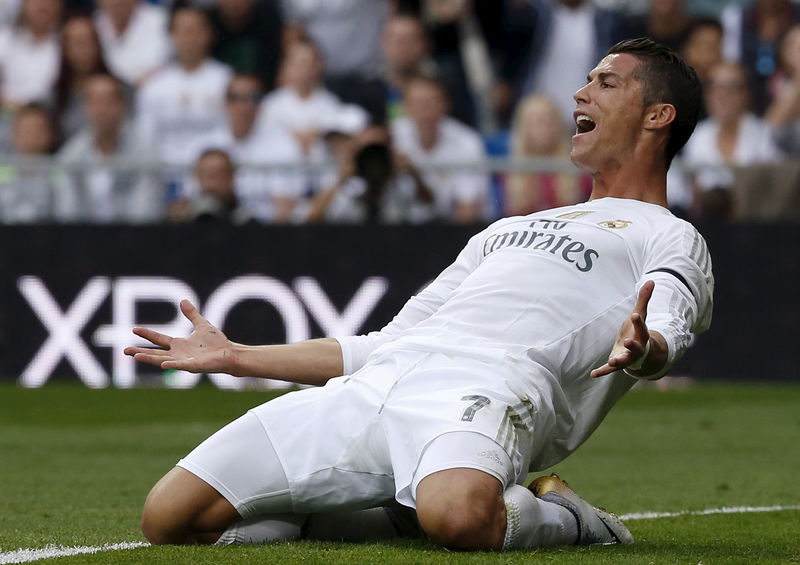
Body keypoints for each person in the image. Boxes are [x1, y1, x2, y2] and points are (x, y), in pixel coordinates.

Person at [125, 38, 714, 551]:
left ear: (658, 115)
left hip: (491, 388)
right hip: (378, 385)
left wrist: (646, 350)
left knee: (459, 517)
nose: (581, 94)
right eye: (585, 82)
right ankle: (395, 516)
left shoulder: (668, 233)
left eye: (605, 84)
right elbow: (384, 344)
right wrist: (236, 355)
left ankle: (569, 519)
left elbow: (668, 324)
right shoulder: (504, 229)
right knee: (172, 518)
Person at [56, 73, 162, 224]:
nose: (102, 110)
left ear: (123, 106)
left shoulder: (146, 154)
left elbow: (145, 209)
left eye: (109, 101)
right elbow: (68, 211)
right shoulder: (70, 156)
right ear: (85, 108)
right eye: (95, 102)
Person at [391, 74, 489, 223]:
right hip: (397, 226)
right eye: (418, 104)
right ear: (406, 107)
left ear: (445, 105)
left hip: (451, 229)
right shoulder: (391, 138)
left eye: (431, 103)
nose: (425, 111)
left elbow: (468, 208)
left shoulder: (467, 142)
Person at [505, 94, 592, 215]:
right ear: (523, 127)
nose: (543, 127)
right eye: (535, 121)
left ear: (559, 125)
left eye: (548, 120)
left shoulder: (580, 170)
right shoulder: (507, 174)